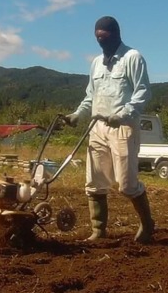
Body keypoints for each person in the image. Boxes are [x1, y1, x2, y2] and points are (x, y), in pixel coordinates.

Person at [63, 16, 156, 243]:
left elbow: (143, 92)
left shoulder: (132, 58)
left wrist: (122, 115)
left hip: (122, 128)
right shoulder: (96, 63)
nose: (100, 42)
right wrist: (78, 114)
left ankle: (147, 223)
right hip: (96, 128)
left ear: (115, 34)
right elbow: (90, 96)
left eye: (104, 37)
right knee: (94, 183)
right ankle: (98, 230)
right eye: (97, 38)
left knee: (126, 185)